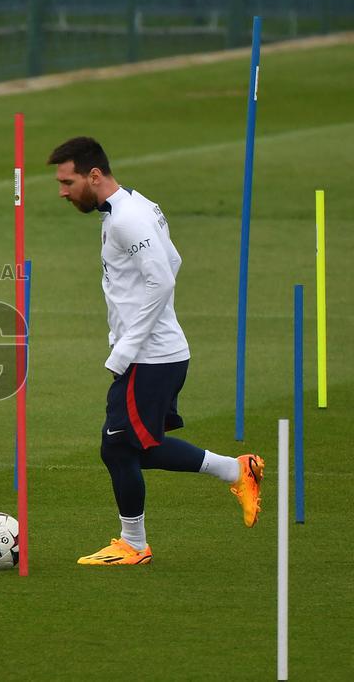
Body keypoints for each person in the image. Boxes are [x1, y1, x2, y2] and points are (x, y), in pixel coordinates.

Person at [47, 136, 264, 566]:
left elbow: (163, 278)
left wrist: (126, 346)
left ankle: (134, 544)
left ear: (94, 175)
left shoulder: (128, 218)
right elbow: (174, 260)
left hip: (149, 358)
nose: (62, 192)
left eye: (68, 182)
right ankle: (237, 470)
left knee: (117, 447)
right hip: (160, 354)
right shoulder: (138, 205)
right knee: (136, 447)